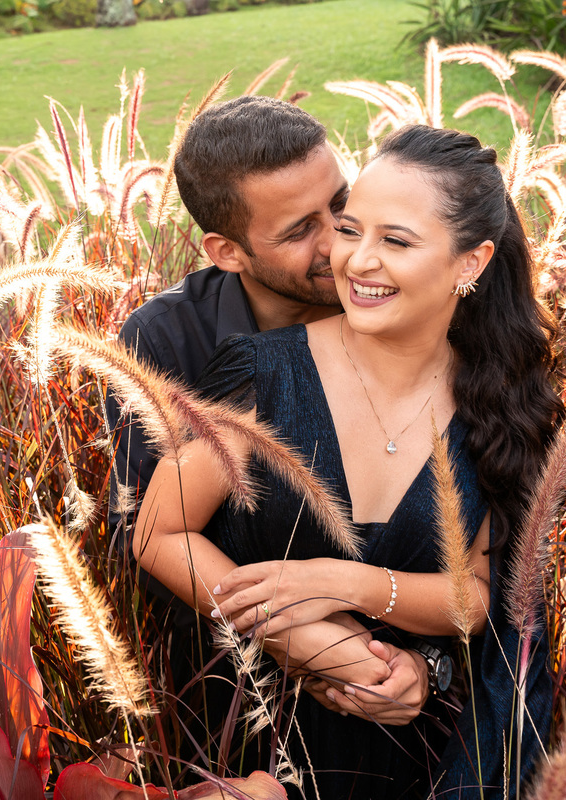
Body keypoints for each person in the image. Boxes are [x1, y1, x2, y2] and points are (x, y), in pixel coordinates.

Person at [132, 125, 562, 798]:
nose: (355, 259)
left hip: (414, 747)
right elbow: (159, 533)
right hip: (254, 742)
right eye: (350, 229)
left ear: (470, 263)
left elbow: (478, 595)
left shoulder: (499, 403)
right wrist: (318, 647)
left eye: (395, 241)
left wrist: (352, 588)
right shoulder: (260, 373)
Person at [106, 95, 434, 750]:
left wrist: (425, 667)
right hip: (243, 699)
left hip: (413, 680)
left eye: (342, 201)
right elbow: (149, 535)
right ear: (227, 251)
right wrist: (305, 642)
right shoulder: (169, 343)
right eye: (297, 231)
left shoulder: (398, 300)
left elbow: (472, 530)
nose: (341, 239)